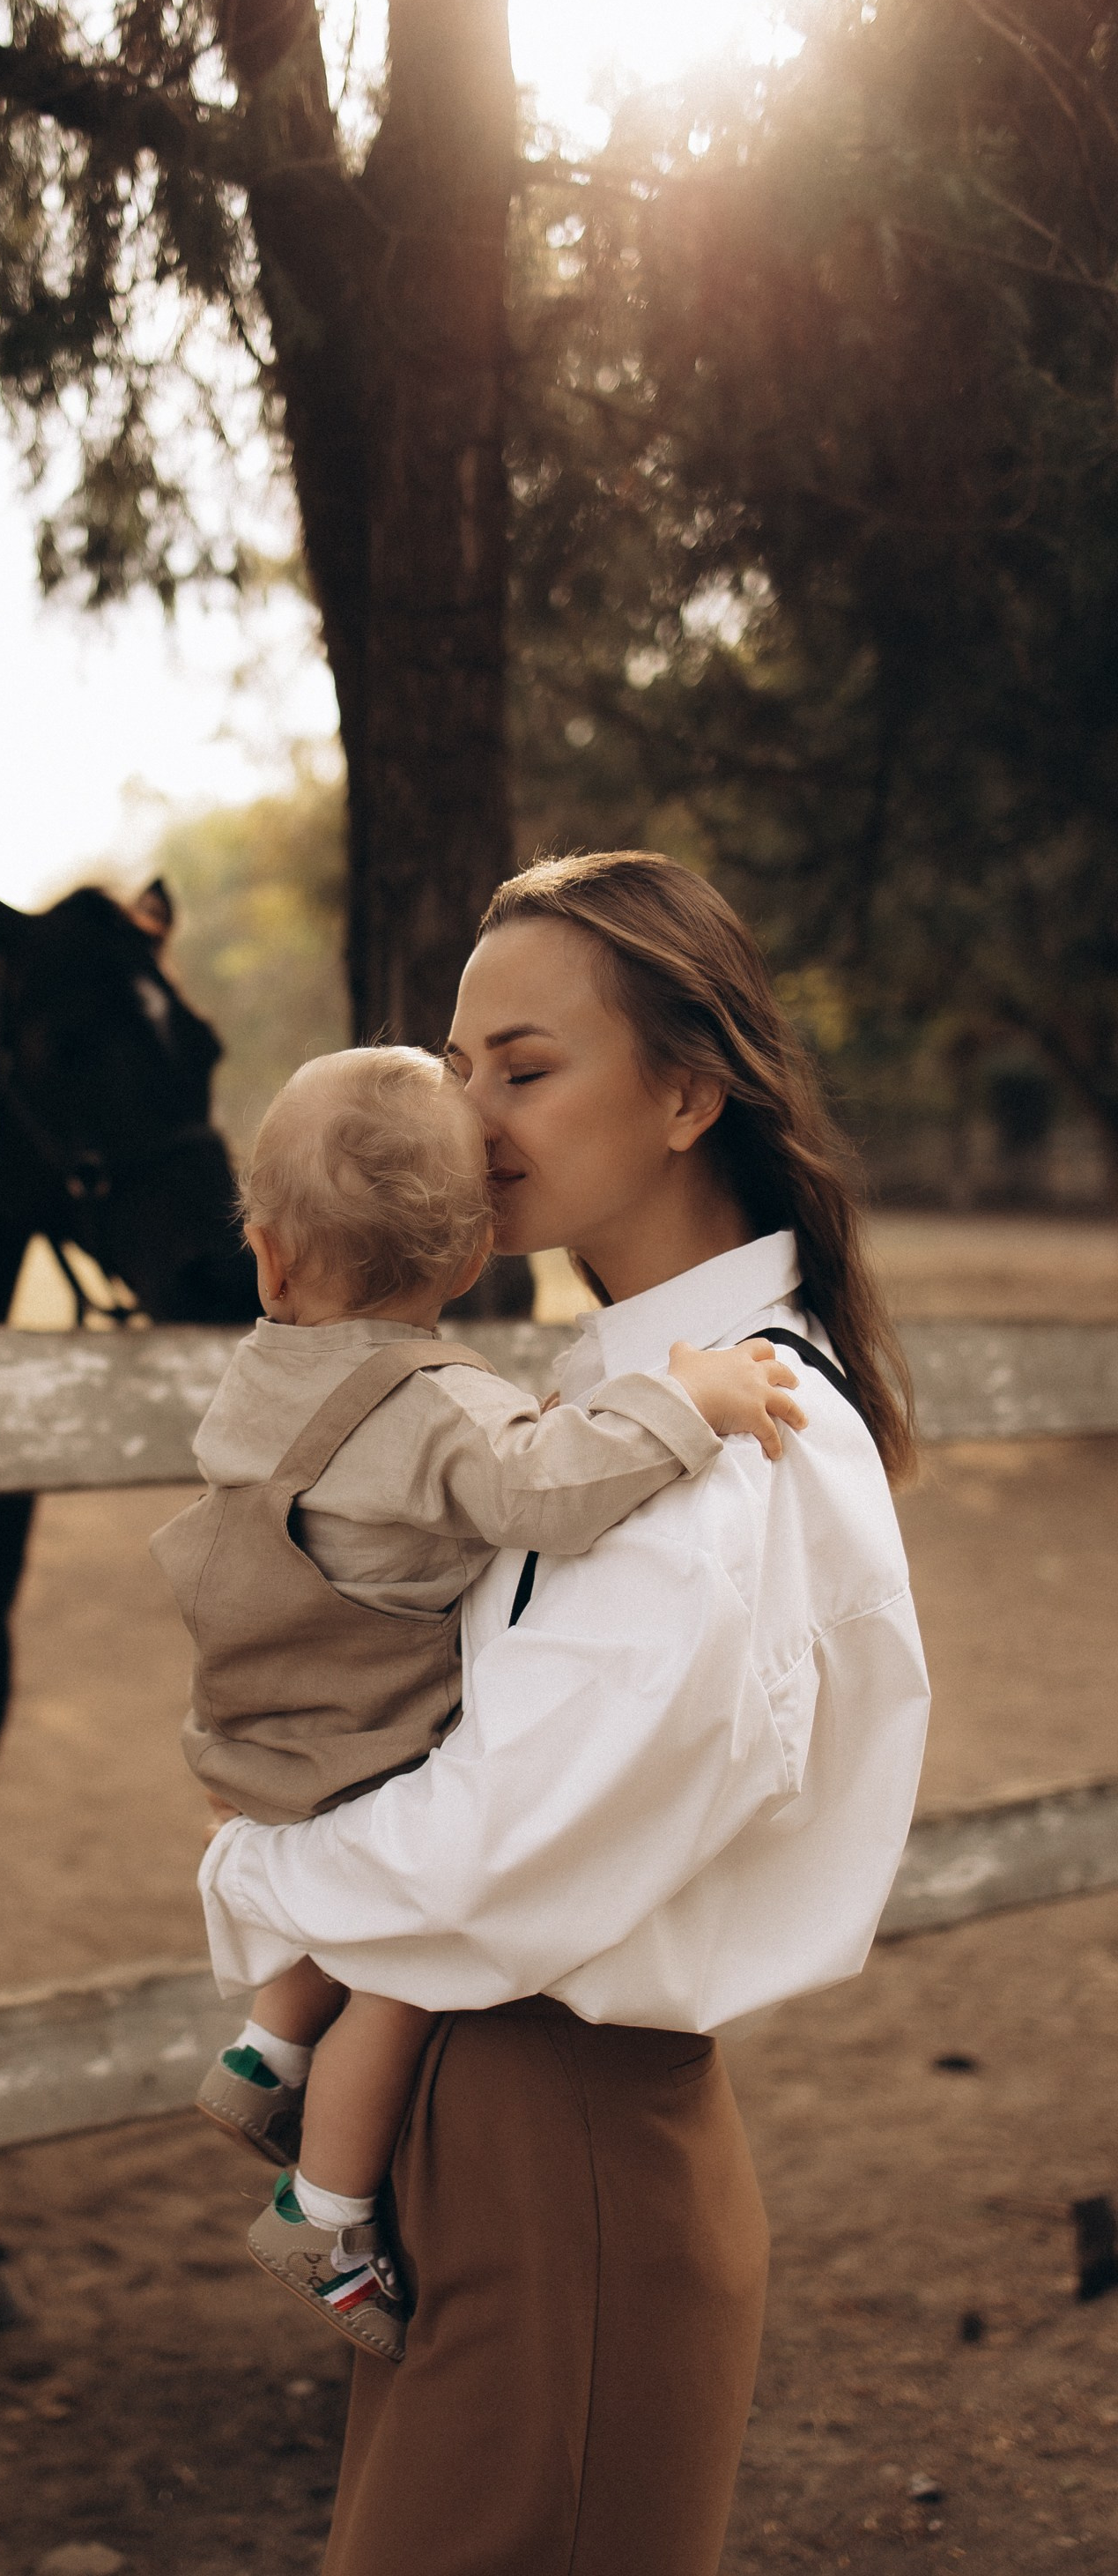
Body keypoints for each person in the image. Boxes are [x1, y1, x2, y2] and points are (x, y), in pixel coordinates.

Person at [198, 851, 931, 2576]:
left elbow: (510, 1843)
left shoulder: (732, 1424)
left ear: (684, 1090)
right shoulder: (615, 1398)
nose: (471, 1113)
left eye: (522, 1068)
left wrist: (253, 1878)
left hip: (572, 2146)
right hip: (484, 2133)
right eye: (456, 1067)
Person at [152, 1044, 807, 2362]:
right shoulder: (442, 1407)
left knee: (360, 1912)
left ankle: (264, 2054)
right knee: (407, 1963)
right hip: (362, 1735)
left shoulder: (259, 1371)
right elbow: (536, 1489)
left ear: (271, 1260)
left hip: (260, 1724)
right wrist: (686, 1400)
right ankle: (324, 2212)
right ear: (465, 1269)